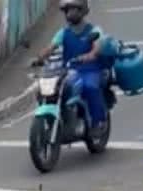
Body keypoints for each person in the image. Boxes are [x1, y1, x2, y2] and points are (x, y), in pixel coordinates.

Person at [33, 0, 107, 132]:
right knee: (50, 89)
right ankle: (61, 118)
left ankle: (98, 122)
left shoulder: (94, 30)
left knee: (89, 87)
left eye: (74, 9)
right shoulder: (63, 33)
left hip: (89, 70)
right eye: (67, 10)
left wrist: (88, 56)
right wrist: (39, 58)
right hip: (69, 71)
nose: (70, 13)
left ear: (82, 11)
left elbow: (97, 49)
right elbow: (51, 47)